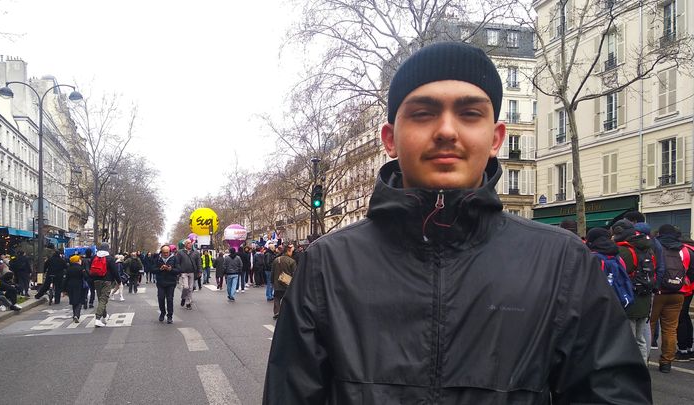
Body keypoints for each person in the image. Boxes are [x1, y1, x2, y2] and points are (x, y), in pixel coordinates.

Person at [263, 41, 651, 404]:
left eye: (469, 113)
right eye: (423, 113)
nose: (447, 130)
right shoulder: (326, 266)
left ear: (496, 137)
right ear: (390, 139)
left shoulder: (563, 264)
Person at [611, 219, 655, 364]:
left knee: (628, 340)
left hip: (629, 300)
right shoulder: (647, 248)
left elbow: (618, 276)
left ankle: (631, 372)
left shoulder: (624, 251)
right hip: (645, 298)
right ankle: (643, 367)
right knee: (640, 338)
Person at [652, 224, 693, 373]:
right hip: (678, 293)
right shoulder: (684, 249)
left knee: (649, 325)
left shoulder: (655, 246)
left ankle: (645, 357)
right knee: (670, 329)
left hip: (658, 292)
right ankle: (666, 362)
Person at [89, 242, 121, 328]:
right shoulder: (110, 258)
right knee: (103, 299)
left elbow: (90, 269)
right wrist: (119, 281)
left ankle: (105, 315)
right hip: (106, 281)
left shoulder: (94, 257)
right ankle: (98, 319)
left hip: (96, 281)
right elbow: (115, 271)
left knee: (100, 299)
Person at [152, 244, 179, 324]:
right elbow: (152, 269)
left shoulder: (174, 258)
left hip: (171, 282)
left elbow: (179, 270)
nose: (166, 254)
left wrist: (171, 269)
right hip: (160, 282)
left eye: (167, 252)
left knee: (170, 299)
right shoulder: (157, 259)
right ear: (161, 252)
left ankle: (170, 316)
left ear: (170, 252)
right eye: (164, 252)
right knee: (161, 298)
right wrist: (160, 269)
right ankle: (162, 312)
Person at [271, 244, 296, 320]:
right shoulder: (292, 261)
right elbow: (295, 273)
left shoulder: (276, 260)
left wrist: (272, 281)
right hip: (288, 284)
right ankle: (287, 313)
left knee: (277, 298)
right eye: (291, 251)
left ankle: (277, 312)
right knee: (288, 299)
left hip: (277, 283)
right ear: (288, 251)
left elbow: (273, 272)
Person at [175, 239, 201, 310]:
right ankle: (183, 298)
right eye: (189, 243)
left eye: (191, 243)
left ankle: (188, 303)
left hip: (192, 272)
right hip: (184, 272)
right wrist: (179, 270)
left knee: (190, 288)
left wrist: (199, 271)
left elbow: (199, 263)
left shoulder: (195, 253)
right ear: (185, 245)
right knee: (186, 287)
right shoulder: (180, 252)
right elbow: (177, 262)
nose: (190, 244)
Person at [64, 255, 88, 323]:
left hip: (70, 286)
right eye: (79, 260)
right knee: (80, 301)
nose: (80, 261)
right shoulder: (81, 268)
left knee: (73, 301)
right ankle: (77, 315)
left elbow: (66, 279)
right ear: (77, 261)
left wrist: (64, 289)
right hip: (79, 286)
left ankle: (74, 314)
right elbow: (86, 277)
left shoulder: (69, 269)